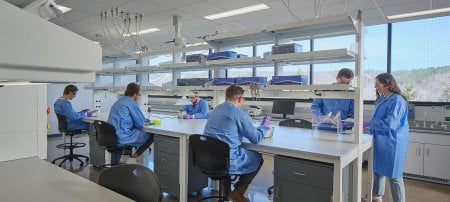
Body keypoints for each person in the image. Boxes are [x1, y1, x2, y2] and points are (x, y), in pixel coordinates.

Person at [203, 85, 269, 202]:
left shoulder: (216, 109)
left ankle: (229, 194)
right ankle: (238, 192)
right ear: (239, 98)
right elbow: (255, 138)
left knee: (231, 153)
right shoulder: (239, 113)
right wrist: (264, 127)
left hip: (207, 157)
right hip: (227, 159)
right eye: (243, 99)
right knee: (258, 158)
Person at [368, 73, 409, 202]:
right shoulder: (382, 98)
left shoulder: (397, 100)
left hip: (393, 142)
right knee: (378, 170)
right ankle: (377, 195)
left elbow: (390, 123)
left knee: (394, 175)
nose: (376, 86)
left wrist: (369, 124)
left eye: (378, 84)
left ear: (387, 85)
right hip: (380, 140)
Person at [108, 82, 154, 158]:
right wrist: (146, 121)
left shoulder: (119, 101)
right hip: (123, 137)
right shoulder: (131, 103)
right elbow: (140, 124)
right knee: (152, 134)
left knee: (135, 131)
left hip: (111, 136)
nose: (139, 97)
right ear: (135, 94)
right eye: (139, 95)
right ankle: (135, 155)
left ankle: (125, 156)